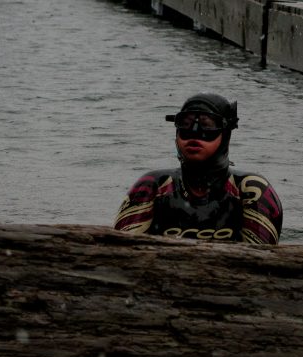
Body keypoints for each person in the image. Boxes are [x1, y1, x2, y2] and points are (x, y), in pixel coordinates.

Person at [114, 92, 283, 244]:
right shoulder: (152, 186)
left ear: (226, 136)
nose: (194, 133)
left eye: (207, 125)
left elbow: (262, 263)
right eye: (185, 124)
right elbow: (121, 252)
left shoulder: (252, 190)